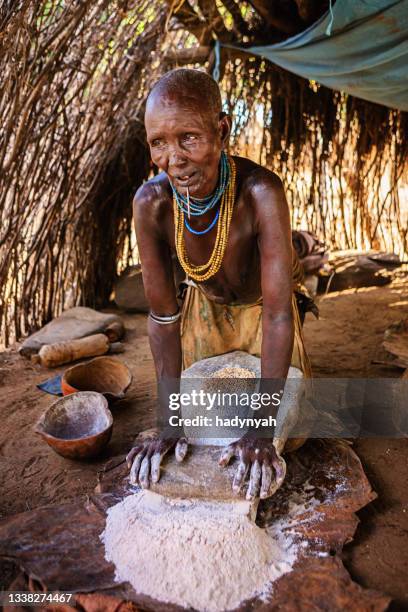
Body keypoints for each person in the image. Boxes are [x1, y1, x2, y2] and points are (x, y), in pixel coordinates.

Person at [126, 68, 311, 500]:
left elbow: (279, 312)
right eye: (159, 143)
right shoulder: (152, 204)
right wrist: (169, 423)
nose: (174, 158)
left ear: (222, 129)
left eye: (189, 137)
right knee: (202, 426)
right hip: (204, 308)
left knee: (291, 434)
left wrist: (262, 430)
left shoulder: (260, 191)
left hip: (266, 308)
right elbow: (163, 316)